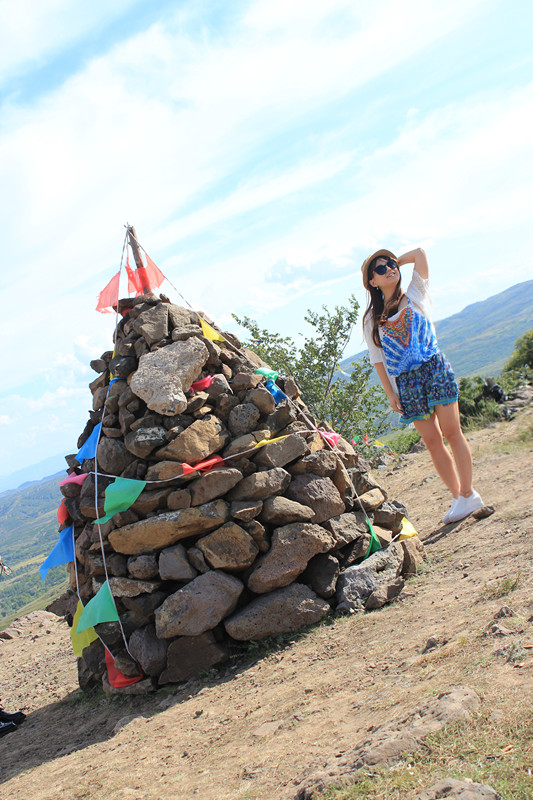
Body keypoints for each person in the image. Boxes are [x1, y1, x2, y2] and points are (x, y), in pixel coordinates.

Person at [361, 247, 483, 523]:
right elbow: (377, 358)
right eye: (380, 269)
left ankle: (468, 493)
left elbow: (419, 253)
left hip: (434, 368)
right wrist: (390, 392)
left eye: (391, 265)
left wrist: (395, 262)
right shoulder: (372, 319)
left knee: (453, 432)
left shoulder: (415, 293)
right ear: (372, 282)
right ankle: (458, 497)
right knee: (432, 441)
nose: (390, 269)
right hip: (406, 382)